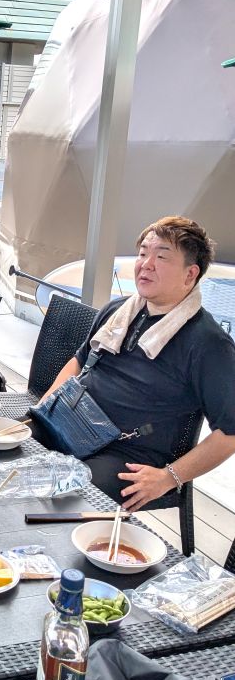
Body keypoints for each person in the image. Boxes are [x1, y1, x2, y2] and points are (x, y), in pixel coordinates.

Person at [41, 216, 235, 512]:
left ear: (190, 274)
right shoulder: (118, 311)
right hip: (74, 422)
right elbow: (79, 361)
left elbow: (230, 432)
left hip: (129, 455)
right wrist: (47, 407)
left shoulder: (208, 343)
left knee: (60, 499)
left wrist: (168, 478)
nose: (146, 264)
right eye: (143, 253)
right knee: (4, 449)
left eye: (162, 257)